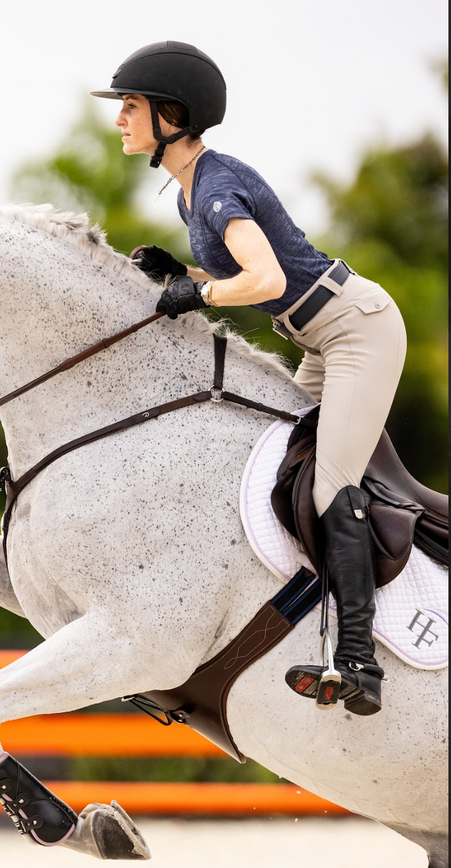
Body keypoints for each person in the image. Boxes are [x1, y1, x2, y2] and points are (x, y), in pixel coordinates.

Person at [91, 41, 407, 716]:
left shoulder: (215, 188)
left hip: (358, 331)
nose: (120, 118)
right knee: (274, 466)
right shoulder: (192, 192)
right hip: (319, 334)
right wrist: (184, 273)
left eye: (131, 106)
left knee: (329, 484)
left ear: (172, 115)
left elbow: (262, 279)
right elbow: (247, 272)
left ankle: (359, 662)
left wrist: (197, 295)